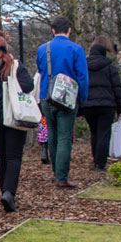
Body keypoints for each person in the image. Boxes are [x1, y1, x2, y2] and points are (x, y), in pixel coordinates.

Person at [0, 36, 36, 212]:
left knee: (2, 156)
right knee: (14, 156)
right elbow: (28, 85)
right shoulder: (14, 66)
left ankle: (4, 190)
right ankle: (9, 193)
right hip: (13, 116)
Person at [36, 16, 90, 188]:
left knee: (52, 135)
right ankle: (62, 176)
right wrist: (82, 99)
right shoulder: (76, 49)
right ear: (69, 30)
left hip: (46, 96)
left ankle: (56, 170)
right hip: (67, 98)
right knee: (65, 137)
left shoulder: (43, 49)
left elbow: (40, 71)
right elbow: (82, 76)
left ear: (53, 30)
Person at [80, 35, 121, 171]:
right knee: (104, 133)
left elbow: (80, 87)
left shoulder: (84, 66)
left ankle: (96, 158)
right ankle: (100, 163)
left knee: (94, 132)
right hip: (107, 105)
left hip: (89, 105)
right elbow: (117, 88)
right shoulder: (110, 66)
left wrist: (81, 109)